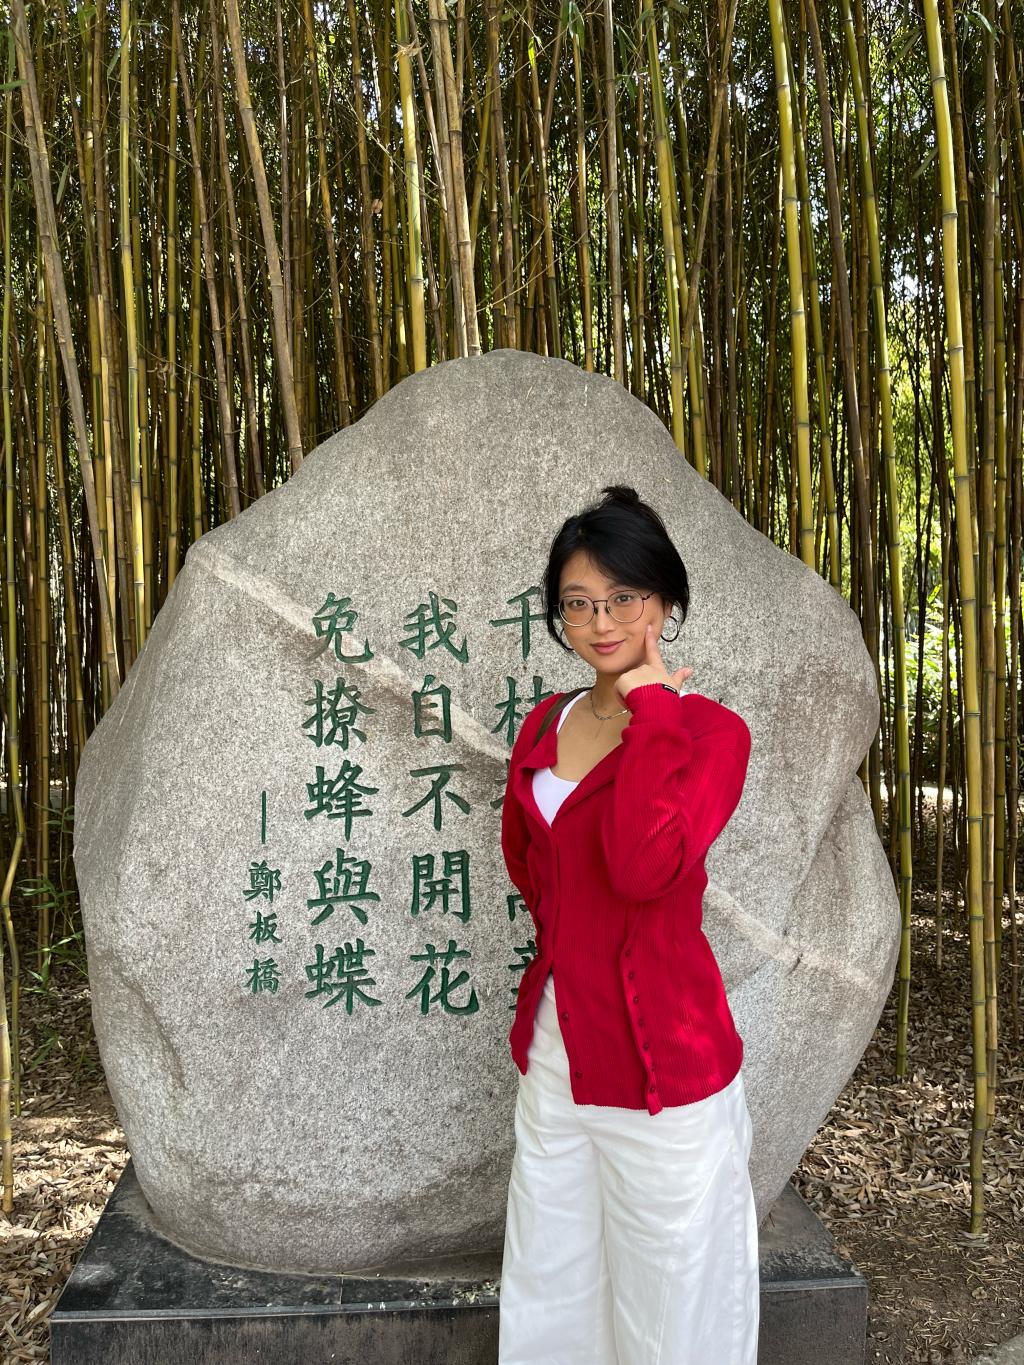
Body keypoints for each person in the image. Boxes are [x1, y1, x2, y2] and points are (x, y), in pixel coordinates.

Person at [497, 484, 759, 1365]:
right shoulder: (546, 722)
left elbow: (644, 867)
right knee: (553, 1289)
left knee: (673, 1306)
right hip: (560, 1052)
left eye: (623, 597)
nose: (601, 621)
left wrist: (654, 711)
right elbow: (532, 868)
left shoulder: (711, 735)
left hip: (663, 1068)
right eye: (578, 602)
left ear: (666, 601)